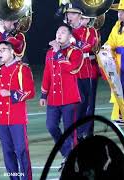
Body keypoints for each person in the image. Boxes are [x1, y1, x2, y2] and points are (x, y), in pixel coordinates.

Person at [0, 41, 34, 180]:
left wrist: (11, 93)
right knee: (8, 152)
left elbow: (30, 92)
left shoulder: (22, 69)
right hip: (1, 119)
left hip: (17, 118)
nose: (0, 53)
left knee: (21, 151)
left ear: (12, 52)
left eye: (3, 50)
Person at [40, 23, 83, 170]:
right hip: (53, 98)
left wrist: (59, 52)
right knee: (51, 126)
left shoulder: (76, 52)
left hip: (70, 98)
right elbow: (47, 74)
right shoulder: (50, 53)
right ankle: (68, 154)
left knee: (70, 131)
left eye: (63, 32)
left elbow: (72, 69)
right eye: (58, 32)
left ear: (70, 36)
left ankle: (74, 160)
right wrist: (43, 94)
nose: (59, 34)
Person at [0, 19, 26, 145]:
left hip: (14, 70)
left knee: (14, 101)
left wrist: (4, 34)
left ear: (14, 21)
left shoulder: (19, 36)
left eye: (8, 20)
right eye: (3, 20)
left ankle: (14, 130)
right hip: (0, 71)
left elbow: (18, 49)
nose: (5, 23)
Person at [63, 3, 97, 139]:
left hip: (84, 70)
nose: (69, 16)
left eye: (72, 14)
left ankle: (82, 130)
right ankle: (74, 132)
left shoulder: (89, 31)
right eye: (68, 14)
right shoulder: (64, 30)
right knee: (72, 104)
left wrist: (73, 40)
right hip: (69, 71)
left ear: (79, 16)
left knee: (85, 103)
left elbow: (88, 46)